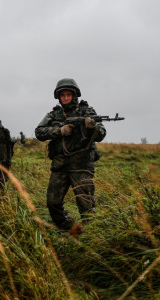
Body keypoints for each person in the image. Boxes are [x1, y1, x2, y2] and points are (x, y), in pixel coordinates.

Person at [35, 78, 106, 230]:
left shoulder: (87, 111)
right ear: (59, 97)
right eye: (63, 95)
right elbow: (39, 132)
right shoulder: (53, 114)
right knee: (53, 203)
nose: (66, 98)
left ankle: (92, 237)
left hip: (82, 164)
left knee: (86, 206)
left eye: (69, 95)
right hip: (60, 164)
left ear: (75, 95)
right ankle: (70, 230)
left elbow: (101, 134)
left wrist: (91, 127)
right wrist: (59, 130)